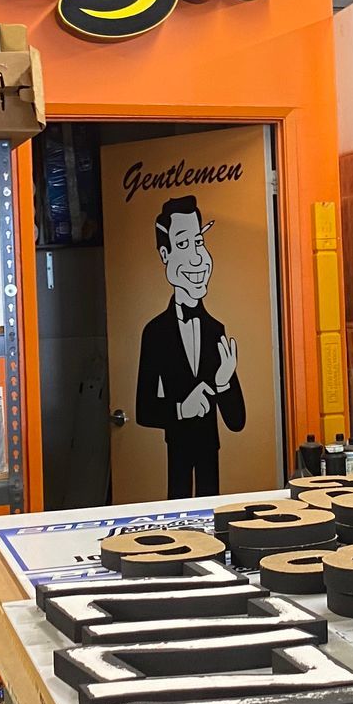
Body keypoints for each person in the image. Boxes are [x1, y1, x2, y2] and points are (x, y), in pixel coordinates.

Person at [135, 195, 246, 498]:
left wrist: (223, 382)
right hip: (178, 449)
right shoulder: (155, 332)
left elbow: (237, 422)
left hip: (210, 448)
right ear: (165, 254)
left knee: (214, 519)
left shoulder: (216, 330)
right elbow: (143, 410)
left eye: (199, 242)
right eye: (183, 245)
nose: (198, 258)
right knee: (177, 514)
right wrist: (182, 408)